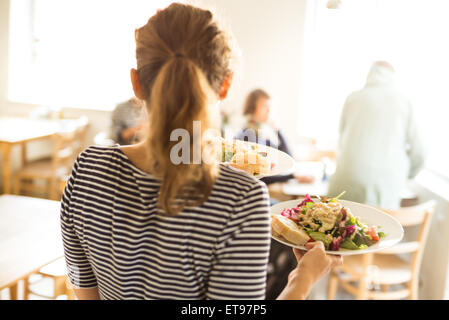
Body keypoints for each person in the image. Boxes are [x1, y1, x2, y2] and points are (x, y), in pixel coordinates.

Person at [60, 3, 341, 300]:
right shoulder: (243, 200)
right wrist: (302, 279)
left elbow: (86, 294)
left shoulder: (86, 170)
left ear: (136, 83)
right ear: (225, 86)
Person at [328, 61, 426, 209]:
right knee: (381, 229)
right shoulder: (403, 101)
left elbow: (341, 141)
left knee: (339, 227)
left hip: (346, 179)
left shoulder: (353, 98)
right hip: (386, 185)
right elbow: (420, 151)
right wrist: (406, 175)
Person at [236, 89, 314, 185]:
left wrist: (277, 130)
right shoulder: (248, 136)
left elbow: (287, 156)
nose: (269, 111)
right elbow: (260, 177)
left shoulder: (260, 134)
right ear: (252, 108)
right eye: (264, 106)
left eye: (270, 107)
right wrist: (293, 176)